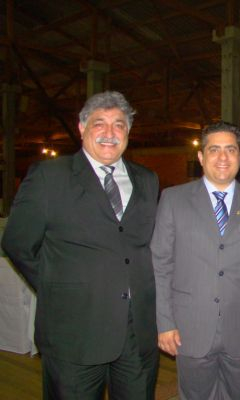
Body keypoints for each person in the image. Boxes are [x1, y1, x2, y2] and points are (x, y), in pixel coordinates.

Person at [1, 91, 160, 399]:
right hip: (74, 330)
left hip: (136, 329)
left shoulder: (147, 179)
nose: (110, 133)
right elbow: (18, 243)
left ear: (128, 132)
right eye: (99, 123)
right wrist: (58, 286)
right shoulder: (50, 176)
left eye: (119, 125)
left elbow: (143, 245)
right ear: (81, 127)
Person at [151, 121, 240, 400]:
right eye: (214, 150)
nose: (223, 157)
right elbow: (160, 266)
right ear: (201, 157)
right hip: (189, 327)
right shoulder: (173, 200)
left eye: (230, 150)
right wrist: (164, 322)